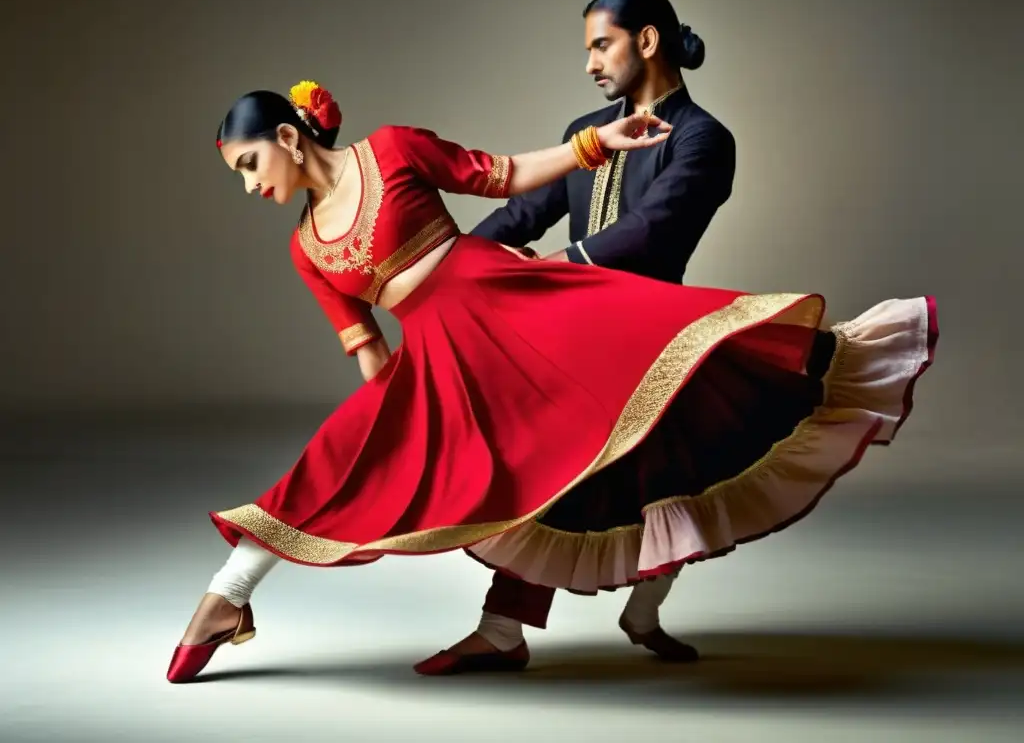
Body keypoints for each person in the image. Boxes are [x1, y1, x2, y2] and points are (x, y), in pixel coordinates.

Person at [166, 78, 938, 685]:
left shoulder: (392, 151)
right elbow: (369, 354)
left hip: (517, 303)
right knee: (337, 461)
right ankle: (225, 600)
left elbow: (501, 177)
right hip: (445, 357)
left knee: (653, 391)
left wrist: (594, 144)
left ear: (289, 138)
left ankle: (553, 620)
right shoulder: (307, 250)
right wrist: (393, 420)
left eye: (248, 165)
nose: (248, 186)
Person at [422, 0, 838, 674]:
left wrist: (548, 270)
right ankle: (515, 630)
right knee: (567, 474)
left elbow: (652, 232)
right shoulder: (586, 134)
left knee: (675, 479)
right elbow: (523, 213)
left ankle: (618, 615)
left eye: (600, 44)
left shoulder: (705, 139)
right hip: (573, 337)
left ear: (647, 41)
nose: (589, 62)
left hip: (655, 342)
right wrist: (454, 263)